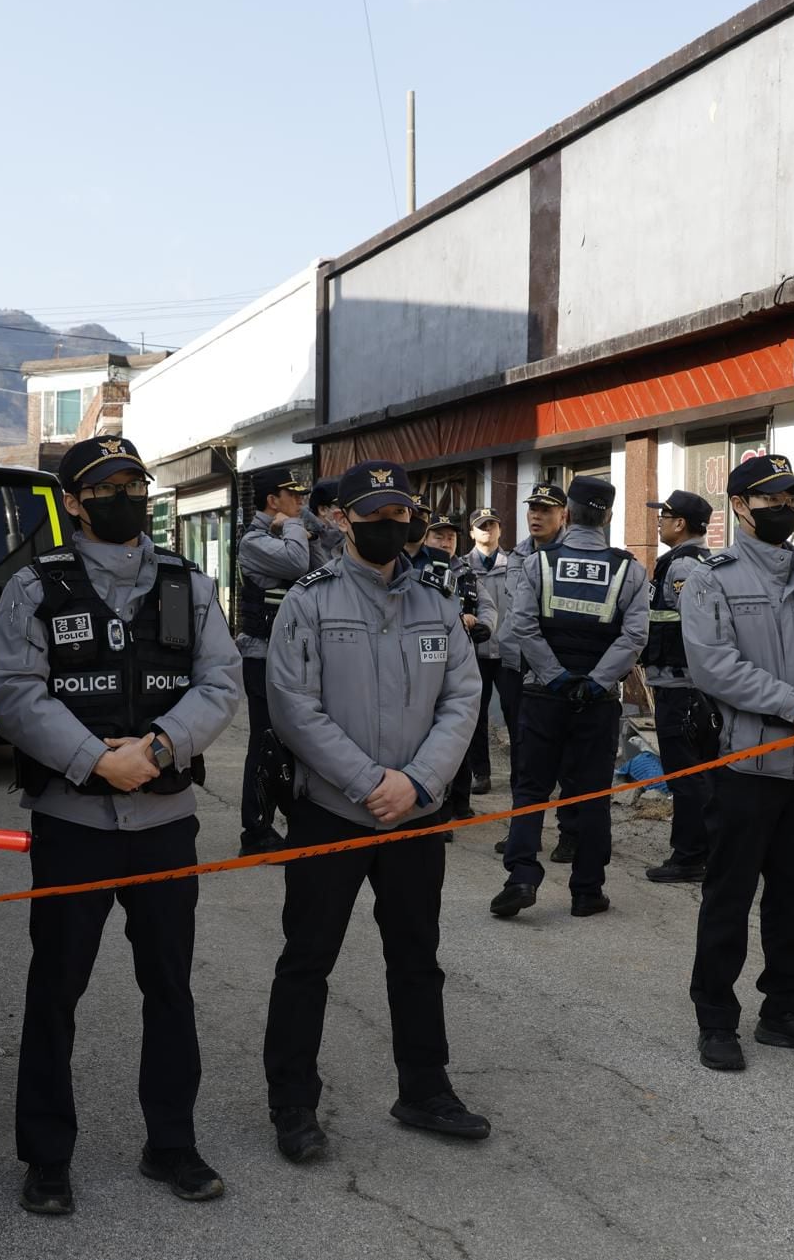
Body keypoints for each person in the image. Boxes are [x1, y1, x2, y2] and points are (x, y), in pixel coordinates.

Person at [0, 435, 242, 1216]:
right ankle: (47, 1157)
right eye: (105, 485)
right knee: (55, 990)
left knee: (168, 986)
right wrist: (98, 760)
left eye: (133, 481)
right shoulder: (34, 588)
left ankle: (171, 1142)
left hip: (165, 820)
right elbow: (16, 694)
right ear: (74, 501)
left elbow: (220, 678)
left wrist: (162, 746)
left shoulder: (188, 584)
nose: (123, 494)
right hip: (75, 823)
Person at [261, 460, 487, 1163]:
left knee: (417, 957)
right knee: (308, 960)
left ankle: (424, 1087)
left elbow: (462, 697)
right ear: (342, 518)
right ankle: (293, 1104)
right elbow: (293, 707)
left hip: (415, 815)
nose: (391, 525)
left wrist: (418, 784)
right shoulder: (310, 600)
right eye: (374, 513)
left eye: (401, 513)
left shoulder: (436, 602)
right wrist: (370, 783)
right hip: (333, 811)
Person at [682, 454, 794, 1072]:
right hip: (745, 767)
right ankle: (715, 1017)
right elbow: (713, 665)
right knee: (729, 897)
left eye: (793, 498)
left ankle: (784, 1009)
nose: (785, 508)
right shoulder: (713, 579)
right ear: (740, 507)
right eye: (771, 499)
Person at [489, 476, 649, 920]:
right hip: (596, 702)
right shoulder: (628, 570)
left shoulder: (539, 564)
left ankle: (521, 876)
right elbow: (635, 636)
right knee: (592, 793)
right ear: (609, 517)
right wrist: (596, 681)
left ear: (570, 515)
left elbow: (522, 625)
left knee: (532, 788)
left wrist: (556, 676)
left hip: (543, 695)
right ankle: (586, 890)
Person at [642, 489, 721, 884]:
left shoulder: (683, 567)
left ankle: (691, 856)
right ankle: (703, 850)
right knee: (700, 771)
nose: (659, 522)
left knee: (687, 774)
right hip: (689, 686)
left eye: (665, 516)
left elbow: (697, 626)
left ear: (680, 524)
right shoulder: (698, 562)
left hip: (683, 687)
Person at [235, 473, 312, 854]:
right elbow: (299, 563)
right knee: (265, 743)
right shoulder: (255, 541)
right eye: (292, 496)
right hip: (262, 656)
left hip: (291, 654)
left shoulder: (291, 530)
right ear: (272, 500)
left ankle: (290, 818)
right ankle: (256, 830)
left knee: (291, 741)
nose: (300, 502)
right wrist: (296, 524)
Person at [492, 484, 570, 858]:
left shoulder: (572, 555)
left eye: (546, 510)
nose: (536, 516)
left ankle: (570, 834)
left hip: (557, 669)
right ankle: (524, 832)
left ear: (564, 515)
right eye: (533, 509)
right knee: (523, 752)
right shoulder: (517, 555)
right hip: (516, 666)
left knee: (569, 754)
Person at [417, 514, 492, 822]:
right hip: (427, 665)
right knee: (432, 734)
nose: (445, 541)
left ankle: (460, 800)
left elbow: (487, 606)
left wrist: (483, 623)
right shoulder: (415, 570)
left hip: (462, 663)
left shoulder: (466, 572)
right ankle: (437, 807)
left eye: (450, 536)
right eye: (438, 536)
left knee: (460, 731)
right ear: (425, 538)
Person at [462, 509, 510, 795]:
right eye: (481, 527)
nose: (487, 531)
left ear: (500, 530)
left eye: (492, 525)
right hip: (474, 654)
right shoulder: (461, 567)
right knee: (475, 716)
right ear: (471, 532)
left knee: (515, 713)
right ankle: (480, 773)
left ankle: (523, 771)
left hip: (507, 651)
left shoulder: (516, 563)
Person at [303, 478, 347, 570]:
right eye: (342, 505)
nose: (347, 511)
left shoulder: (348, 534)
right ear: (322, 510)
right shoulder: (304, 539)